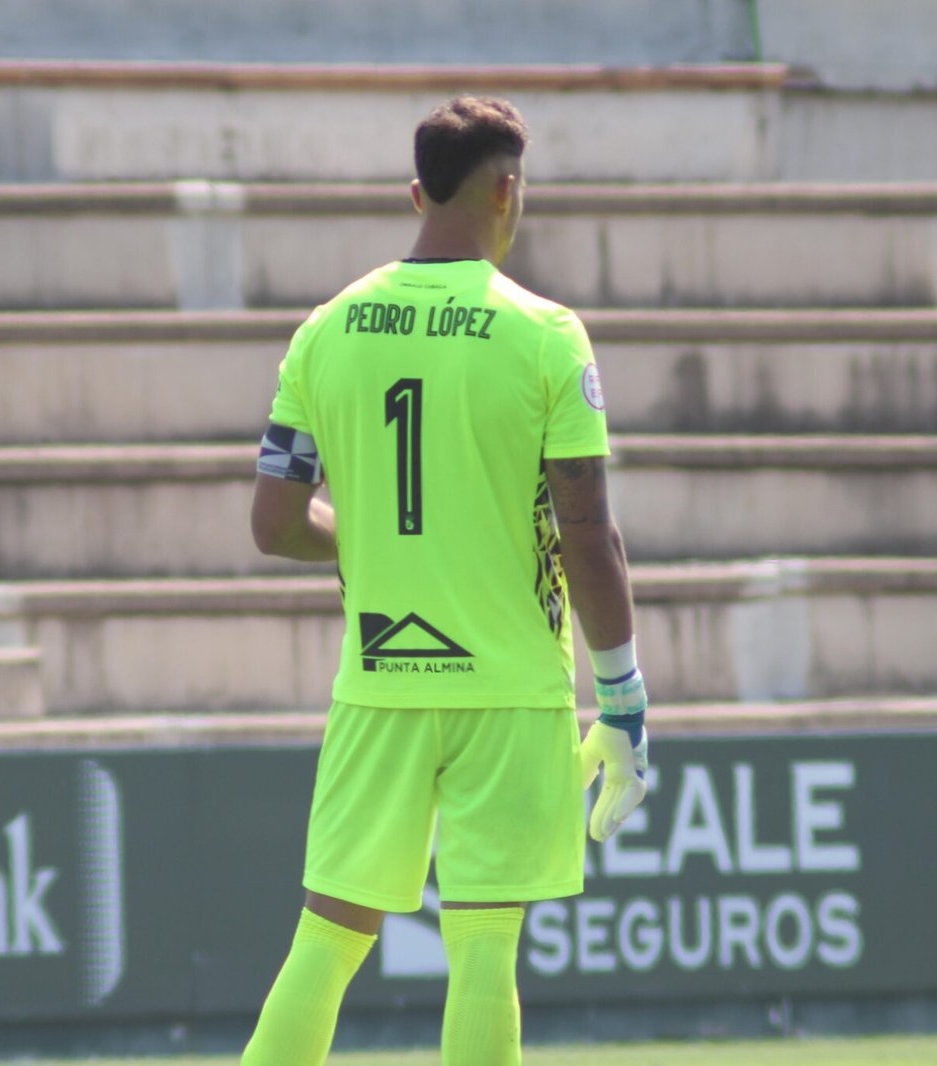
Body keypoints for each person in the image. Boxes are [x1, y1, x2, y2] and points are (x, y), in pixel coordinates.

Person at [243, 96, 651, 1066]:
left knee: (328, 936)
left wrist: (383, 544)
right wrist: (625, 697)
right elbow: (589, 537)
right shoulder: (546, 334)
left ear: (413, 191)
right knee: (481, 944)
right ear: (509, 189)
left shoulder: (325, 330)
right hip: (507, 689)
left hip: (380, 685)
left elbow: (275, 526)